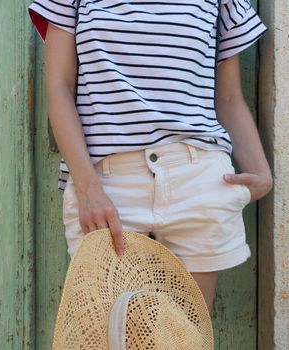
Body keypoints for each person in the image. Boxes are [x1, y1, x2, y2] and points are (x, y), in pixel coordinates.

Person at [27, 0, 273, 313]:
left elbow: (228, 97)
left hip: (197, 178)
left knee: (184, 337)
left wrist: (262, 174)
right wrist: (88, 189)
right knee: (104, 336)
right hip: (107, 187)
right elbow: (59, 85)